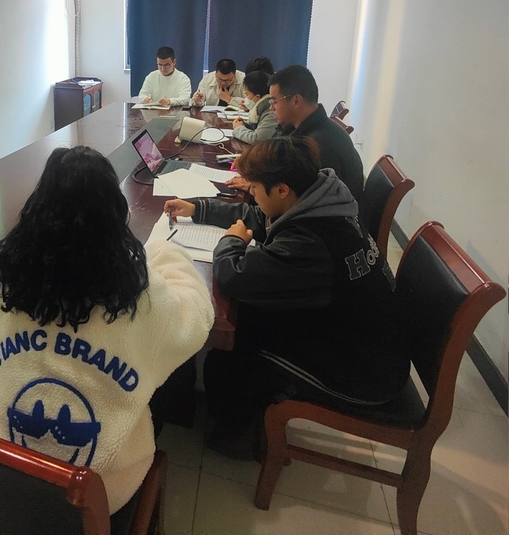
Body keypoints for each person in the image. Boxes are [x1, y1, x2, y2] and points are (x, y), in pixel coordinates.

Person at [0, 146, 213, 515]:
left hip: (0, 470)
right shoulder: (137, 292)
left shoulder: (0, 276)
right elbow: (195, 321)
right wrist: (167, 253)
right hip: (97, 493)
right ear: (115, 214)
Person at [164, 137, 409, 457]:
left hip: (362, 371)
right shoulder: (321, 200)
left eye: (255, 189)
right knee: (247, 319)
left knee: (231, 355)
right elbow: (263, 218)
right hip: (362, 338)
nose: (252, 195)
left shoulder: (310, 243)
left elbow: (233, 276)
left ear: (281, 190)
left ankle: (236, 438)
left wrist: (231, 242)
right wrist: (200, 208)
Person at [269, 64, 364, 199]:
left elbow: (298, 197)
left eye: (274, 101)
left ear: (296, 101)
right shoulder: (309, 127)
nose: (271, 108)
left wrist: (255, 188)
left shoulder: (316, 145)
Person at [230, 70, 277, 144]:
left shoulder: (271, 113)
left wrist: (238, 129)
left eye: (247, 95)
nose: (246, 98)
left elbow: (257, 139)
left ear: (257, 97)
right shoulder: (263, 108)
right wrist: (244, 125)